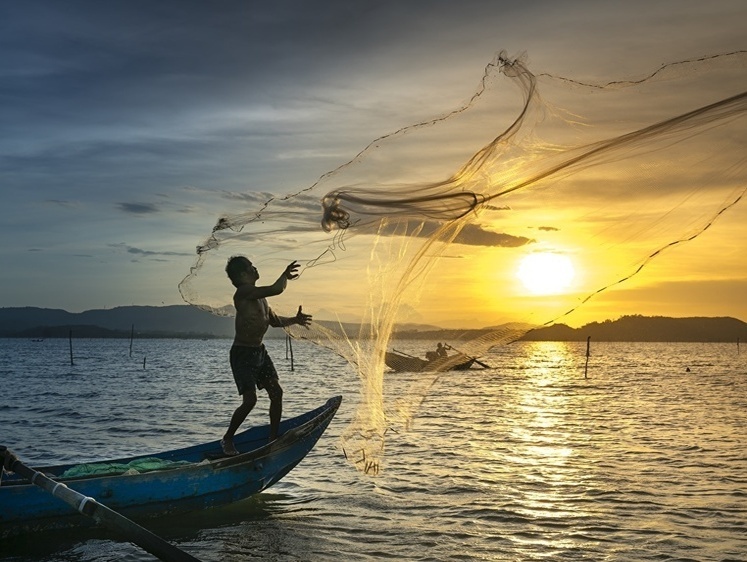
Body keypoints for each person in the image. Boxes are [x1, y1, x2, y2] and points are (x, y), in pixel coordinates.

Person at [221, 256, 312, 456]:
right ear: (243, 274)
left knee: (276, 393)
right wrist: (285, 276)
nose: (255, 268)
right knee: (250, 400)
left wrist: (295, 320)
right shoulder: (243, 293)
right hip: (242, 353)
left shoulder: (261, 298)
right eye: (251, 267)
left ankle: (273, 438)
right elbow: (277, 288)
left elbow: (275, 321)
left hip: (259, 351)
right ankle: (228, 438)